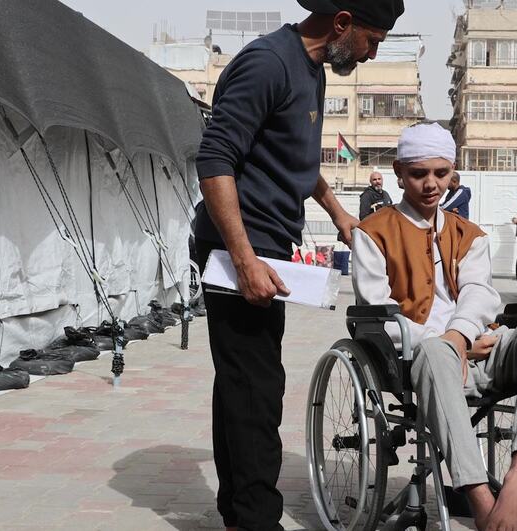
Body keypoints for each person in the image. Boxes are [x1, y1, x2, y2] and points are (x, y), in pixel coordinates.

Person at [191, 0, 404, 529]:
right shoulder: (267, 63)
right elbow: (215, 159)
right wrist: (243, 260)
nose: (372, 54)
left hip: (266, 249)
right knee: (258, 391)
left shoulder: (312, 70)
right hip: (237, 252)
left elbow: (296, 159)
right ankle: (257, 517)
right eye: (371, 41)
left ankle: (238, 510)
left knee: (241, 384)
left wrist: (340, 214)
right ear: (342, 23)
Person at [351, 123, 517, 531]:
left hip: (480, 346)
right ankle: (482, 501)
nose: (431, 184)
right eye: (418, 174)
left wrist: (461, 336)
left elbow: (480, 294)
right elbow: (381, 315)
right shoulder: (372, 234)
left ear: (452, 172)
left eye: (440, 173)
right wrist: (450, 346)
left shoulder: (469, 234)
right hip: (422, 362)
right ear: (398, 172)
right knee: (435, 351)